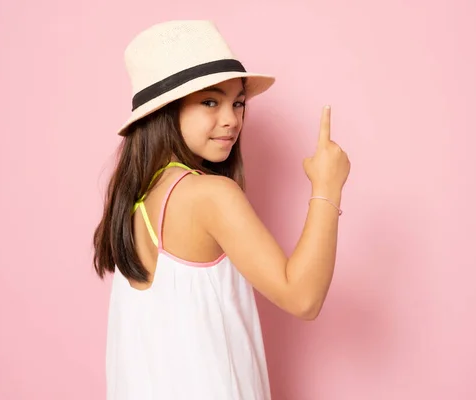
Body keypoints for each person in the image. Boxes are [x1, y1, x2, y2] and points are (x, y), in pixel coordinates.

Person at [92, 20, 350, 399]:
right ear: (165, 112)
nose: (232, 119)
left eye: (238, 102)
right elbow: (303, 298)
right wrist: (327, 187)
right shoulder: (210, 195)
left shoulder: (136, 202)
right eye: (210, 101)